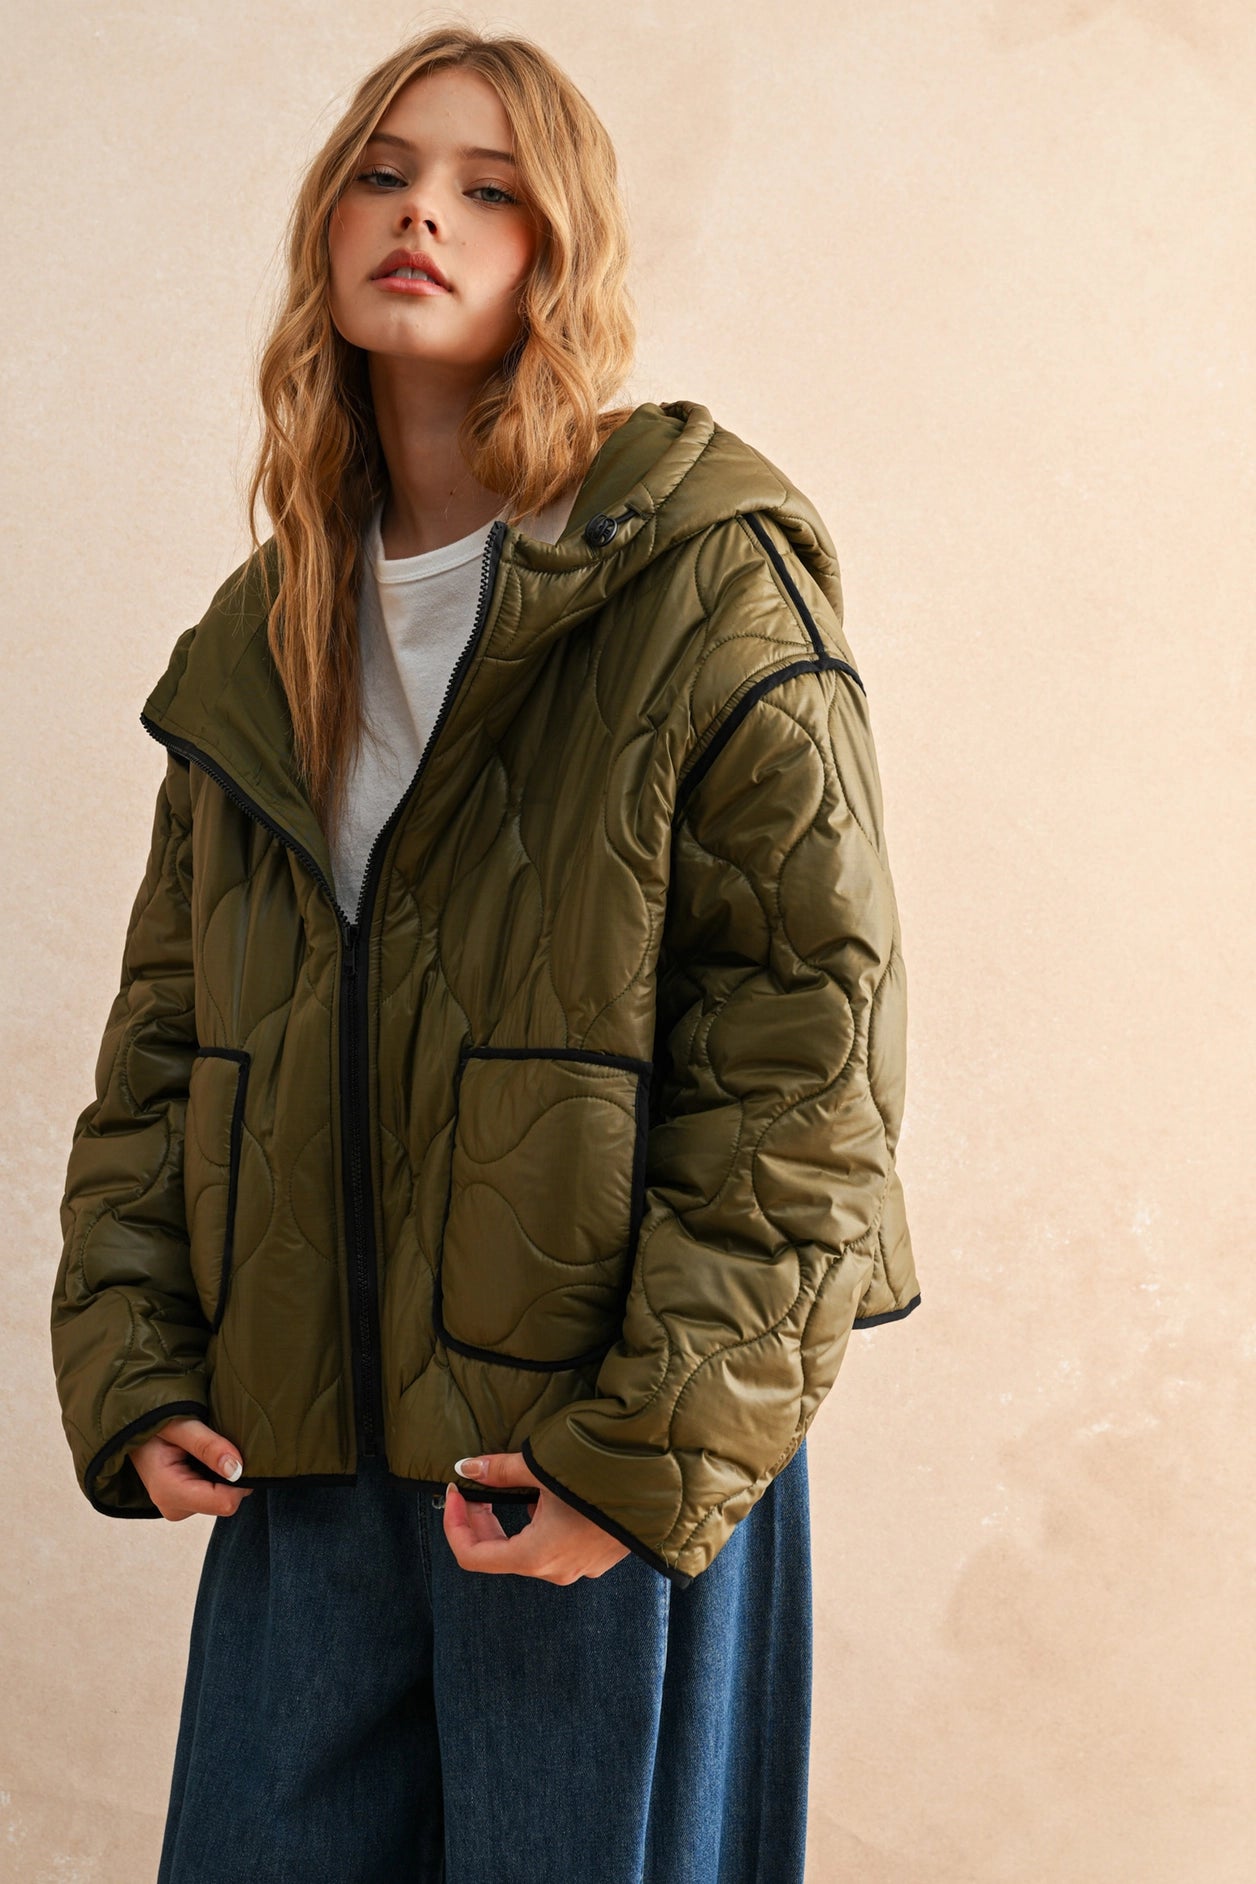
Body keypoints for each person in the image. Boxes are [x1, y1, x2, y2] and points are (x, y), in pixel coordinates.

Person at [50, 22, 921, 1884]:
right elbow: (166, 1041)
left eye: (486, 187)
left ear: (558, 250)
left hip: (585, 1455)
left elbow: (810, 1062)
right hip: (304, 1462)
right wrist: (136, 1358)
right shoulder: (261, 637)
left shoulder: (703, 577)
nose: (421, 214)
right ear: (326, 227)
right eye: (382, 173)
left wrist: (644, 1454)